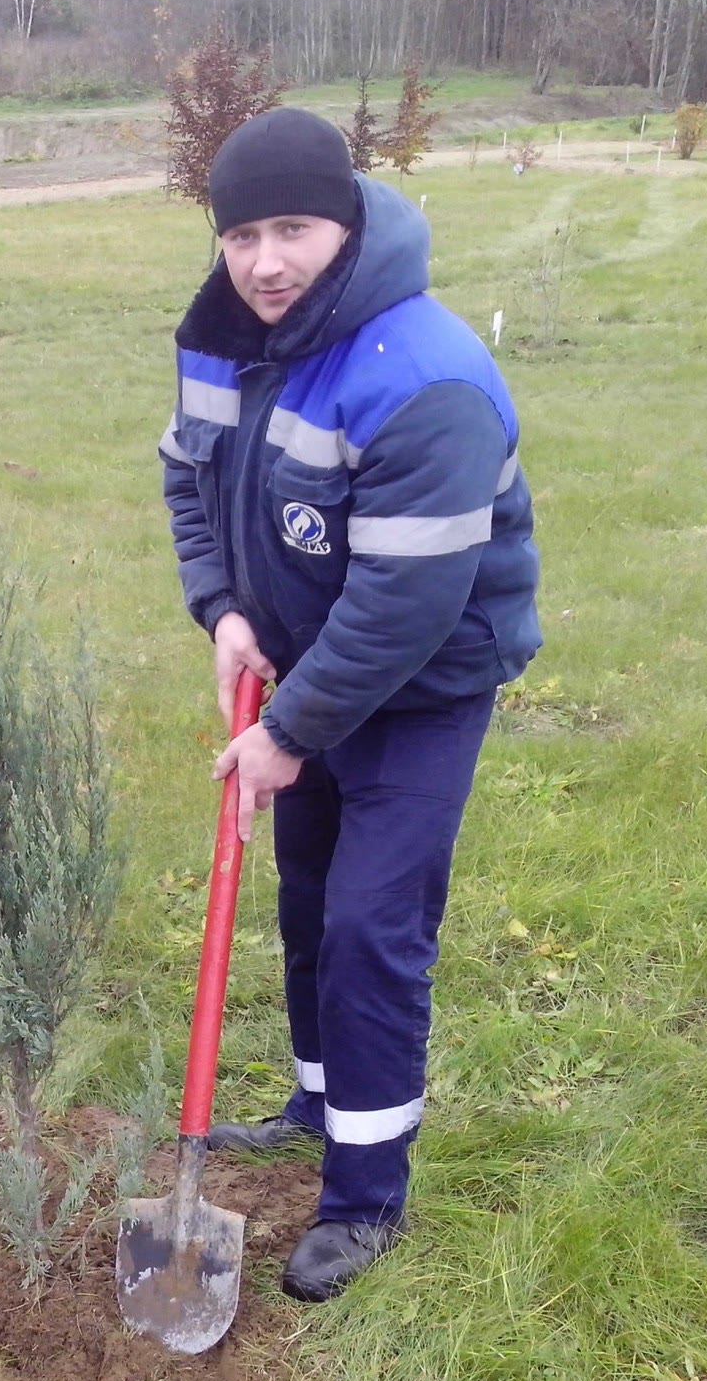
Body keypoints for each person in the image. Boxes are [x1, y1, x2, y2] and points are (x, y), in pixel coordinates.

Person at [159, 109, 540, 1302]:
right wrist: (222, 606)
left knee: (372, 927)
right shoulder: (227, 339)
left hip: (420, 687)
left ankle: (365, 1194)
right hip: (300, 664)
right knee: (309, 900)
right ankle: (318, 1102)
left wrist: (282, 734)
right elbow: (187, 476)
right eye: (240, 235)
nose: (263, 261)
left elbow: (405, 605)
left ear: (348, 223)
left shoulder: (424, 377)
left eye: (292, 230)